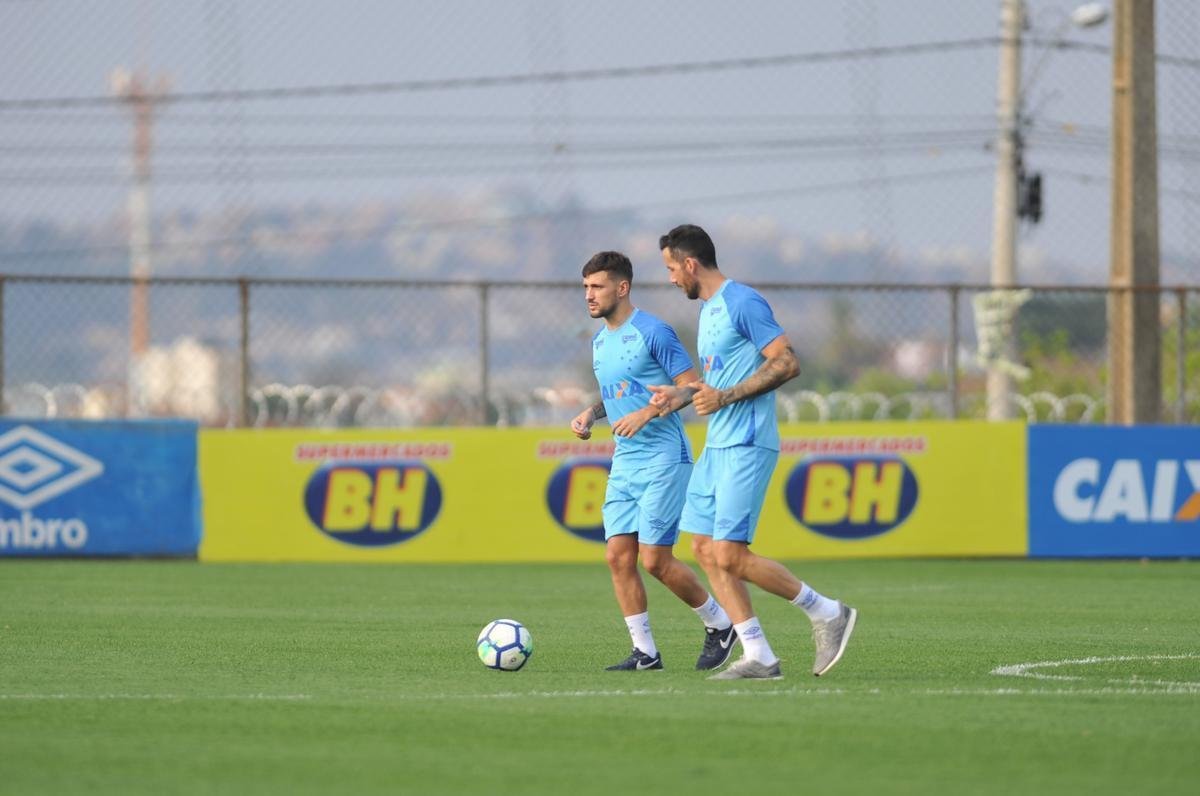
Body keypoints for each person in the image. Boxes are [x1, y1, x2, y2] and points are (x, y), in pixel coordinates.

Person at [649, 224, 857, 680]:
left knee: (730, 555)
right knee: (704, 548)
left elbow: (786, 361)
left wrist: (724, 398)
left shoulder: (742, 301)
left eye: (670, 268)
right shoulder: (708, 312)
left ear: (689, 264)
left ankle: (827, 612)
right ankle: (758, 654)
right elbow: (714, 385)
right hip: (717, 445)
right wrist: (679, 396)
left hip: (746, 441)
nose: (669, 279)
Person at [570, 250, 739, 672]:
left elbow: (691, 387)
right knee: (617, 557)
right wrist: (592, 413)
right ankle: (645, 652)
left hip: (665, 456)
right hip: (625, 461)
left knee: (655, 560)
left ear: (622, 288)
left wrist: (648, 412)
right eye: (586, 287)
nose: (589, 295)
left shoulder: (654, 332)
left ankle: (720, 623)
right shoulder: (599, 341)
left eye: (597, 287)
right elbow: (620, 392)